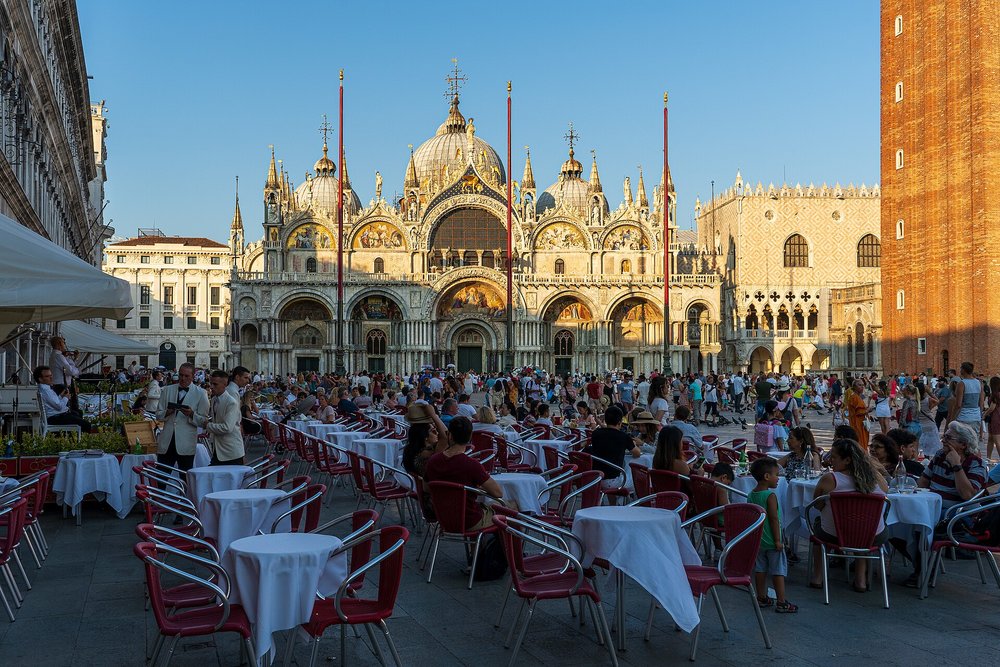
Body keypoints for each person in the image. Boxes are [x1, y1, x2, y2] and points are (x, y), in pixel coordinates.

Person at [808, 438, 888, 593]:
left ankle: (817, 576)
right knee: (863, 531)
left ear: (847, 460)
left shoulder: (830, 479)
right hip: (873, 535)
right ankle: (860, 579)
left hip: (834, 534)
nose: (830, 460)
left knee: (818, 530)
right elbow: (886, 491)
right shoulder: (875, 477)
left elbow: (817, 504)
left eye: (834, 457)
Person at [424, 416, 507, 529]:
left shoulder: (433, 461)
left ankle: (481, 545)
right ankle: (510, 547)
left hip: (443, 519)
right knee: (511, 509)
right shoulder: (471, 465)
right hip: (469, 520)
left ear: (450, 435)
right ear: (470, 438)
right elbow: (498, 493)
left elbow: (426, 488)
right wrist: (476, 489)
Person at [747, 457, 798, 613]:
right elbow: (774, 519)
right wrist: (778, 540)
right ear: (767, 477)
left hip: (758, 540)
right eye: (776, 474)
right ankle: (782, 601)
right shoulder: (770, 496)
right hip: (771, 540)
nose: (778, 478)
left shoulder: (751, 494)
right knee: (778, 570)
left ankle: (761, 597)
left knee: (760, 568)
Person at [155, 363, 209, 473]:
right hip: (166, 442)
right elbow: (158, 415)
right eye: (181, 375)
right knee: (161, 476)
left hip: (186, 443)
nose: (183, 378)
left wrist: (191, 414)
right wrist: (167, 412)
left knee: (185, 478)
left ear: (193, 376)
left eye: (186, 376)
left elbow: (204, 421)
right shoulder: (167, 390)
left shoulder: (201, 393)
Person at [585, 406, 641, 481]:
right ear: (620, 422)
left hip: (596, 478)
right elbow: (637, 453)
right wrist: (634, 443)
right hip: (614, 479)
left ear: (605, 420)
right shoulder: (623, 436)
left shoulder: (596, 433)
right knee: (637, 480)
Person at [34, 365, 93, 432]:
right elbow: (59, 406)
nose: (51, 378)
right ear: (40, 379)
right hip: (55, 418)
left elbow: (54, 403)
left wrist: (61, 396)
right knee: (86, 425)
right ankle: (78, 439)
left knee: (77, 413)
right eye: (47, 376)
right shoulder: (46, 390)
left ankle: (73, 438)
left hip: (55, 416)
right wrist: (66, 397)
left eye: (51, 375)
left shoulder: (44, 388)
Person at [205, 370, 244, 465]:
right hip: (218, 451)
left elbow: (227, 427)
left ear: (225, 384)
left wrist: (208, 426)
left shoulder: (231, 403)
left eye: (215, 384)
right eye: (211, 383)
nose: (211, 387)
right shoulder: (214, 399)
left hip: (231, 452)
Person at [948, 363, 984, 442]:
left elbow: (958, 404)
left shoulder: (962, 383)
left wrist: (952, 419)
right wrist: (980, 415)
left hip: (964, 417)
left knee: (962, 443)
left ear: (963, 370)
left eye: (961, 368)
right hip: (976, 416)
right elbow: (981, 402)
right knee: (974, 442)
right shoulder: (979, 383)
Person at [845, 380, 870, 449]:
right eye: (859, 385)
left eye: (863, 385)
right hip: (857, 424)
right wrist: (868, 410)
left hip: (860, 424)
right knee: (860, 443)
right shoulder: (854, 397)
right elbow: (859, 413)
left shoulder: (858, 397)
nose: (862, 387)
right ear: (854, 387)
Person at [985, 376, 1000, 462]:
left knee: (997, 441)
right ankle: (988, 458)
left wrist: (984, 415)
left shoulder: (994, 394)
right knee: (990, 438)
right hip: (997, 417)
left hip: (995, 418)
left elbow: (991, 408)